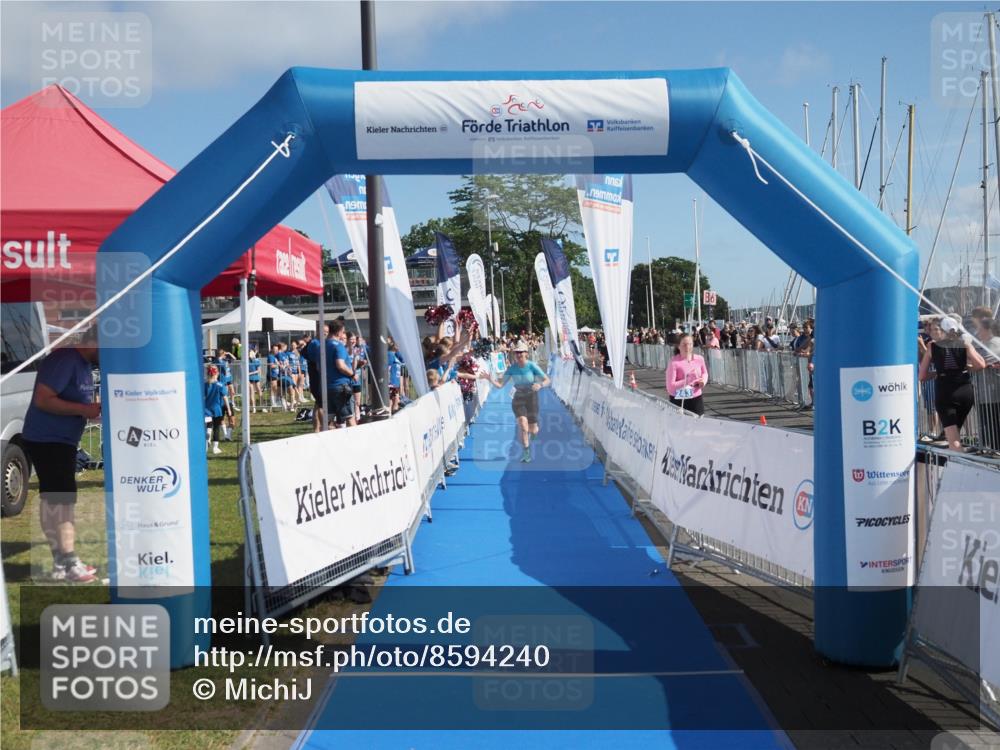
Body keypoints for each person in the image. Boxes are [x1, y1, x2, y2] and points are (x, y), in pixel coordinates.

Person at [22, 327, 101, 582]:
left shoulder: (81, 363)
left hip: (57, 440)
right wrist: (84, 409)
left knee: (53, 499)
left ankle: (60, 563)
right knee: (62, 501)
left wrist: (88, 410)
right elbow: (43, 399)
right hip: (49, 440)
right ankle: (70, 563)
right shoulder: (65, 359)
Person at [919, 315, 987, 451]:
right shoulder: (965, 344)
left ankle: (963, 468)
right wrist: (967, 367)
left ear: (942, 331)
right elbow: (980, 364)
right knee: (955, 433)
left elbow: (922, 375)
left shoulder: (932, 347)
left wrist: (936, 374)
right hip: (965, 392)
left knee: (954, 441)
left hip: (945, 393)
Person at [482, 342, 550, 463]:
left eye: (521, 352)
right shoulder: (512, 369)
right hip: (518, 398)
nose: (518, 355)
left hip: (532, 397)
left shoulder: (532, 366)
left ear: (526, 354)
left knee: (533, 430)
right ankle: (526, 453)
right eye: (516, 353)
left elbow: (547, 380)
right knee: (523, 426)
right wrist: (489, 379)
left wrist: (540, 385)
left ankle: (533, 432)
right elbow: (500, 385)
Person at [665, 333, 708, 416]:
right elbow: (670, 387)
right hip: (679, 401)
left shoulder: (699, 359)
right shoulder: (674, 362)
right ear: (678, 346)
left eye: (690, 344)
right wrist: (688, 380)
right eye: (684, 344)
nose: (687, 347)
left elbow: (705, 373)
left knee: (698, 426)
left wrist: (703, 381)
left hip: (696, 398)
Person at [326, 320, 356, 428]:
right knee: (350, 418)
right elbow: (340, 365)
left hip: (327, 387)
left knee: (329, 420)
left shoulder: (321, 346)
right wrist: (352, 374)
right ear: (339, 332)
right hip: (340, 386)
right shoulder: (338, 346)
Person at [204, 366, 227, 455]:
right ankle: (215, 448)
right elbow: (225, 397)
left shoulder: (205, 384)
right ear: (216, 373)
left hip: (206, 409)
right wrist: (228, 409)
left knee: (208, 427)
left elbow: (203, 397)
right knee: (216, 428)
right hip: (217, 409)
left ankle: (207, 443)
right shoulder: (220, 385)